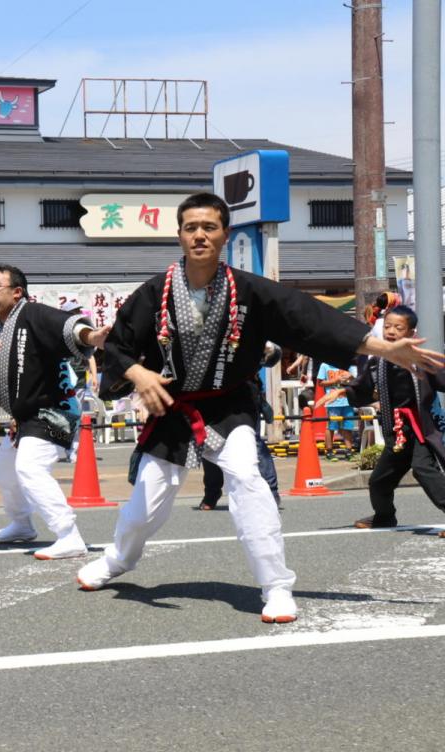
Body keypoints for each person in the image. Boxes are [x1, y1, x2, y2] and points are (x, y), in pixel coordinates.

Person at [76, 192, 445, 623]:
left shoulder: (249, 291)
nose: (200, 236)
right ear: (179, 235)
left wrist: (383, 348)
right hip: (173, 408)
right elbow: (119, 346)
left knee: (248, 480)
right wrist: (139, 375)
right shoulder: (155, 293)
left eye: (209, 227)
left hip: (229, 406)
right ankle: (118, 558)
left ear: (224, 234)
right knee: (146, 502)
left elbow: (311, 320)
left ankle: (276, 586)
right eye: (191, 228)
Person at [0, 264, 109, 560]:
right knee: (5, 467)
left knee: (30, 467)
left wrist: (92, 337)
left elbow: (68, 327)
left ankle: (69, 535)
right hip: (25, 417)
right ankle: (22, 524)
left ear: (17, 292)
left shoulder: (33, 314)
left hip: (52, 411)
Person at [341, 307, 445, 530]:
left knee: (423, 469)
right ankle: (384, 516)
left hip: (421, 429)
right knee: (379, 480)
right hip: (397, 431)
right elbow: (363, 389)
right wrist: (344, 390)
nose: (391, 331)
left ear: (411, 332)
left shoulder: (420, 359)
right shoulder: (377, 362)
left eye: (398, 328)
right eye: (387, 326)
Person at [199, 345, 283, 510]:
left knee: (254, 444)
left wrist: (268, 350)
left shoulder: (247, 331)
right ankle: (212, 493)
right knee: (210, 445)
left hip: (244, 394)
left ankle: (271, 491)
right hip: (210, 394)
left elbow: (273, 356)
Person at [316, 359, 358, 457]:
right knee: (331, 427)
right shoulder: (325, 365)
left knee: (348, 427)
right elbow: (320, 383)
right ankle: (329, 451)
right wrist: (335, 380)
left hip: (348, 401)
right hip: (333, 402)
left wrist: (351, 377)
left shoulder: (348, 364)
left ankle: (349, 450)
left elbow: (357, 380)